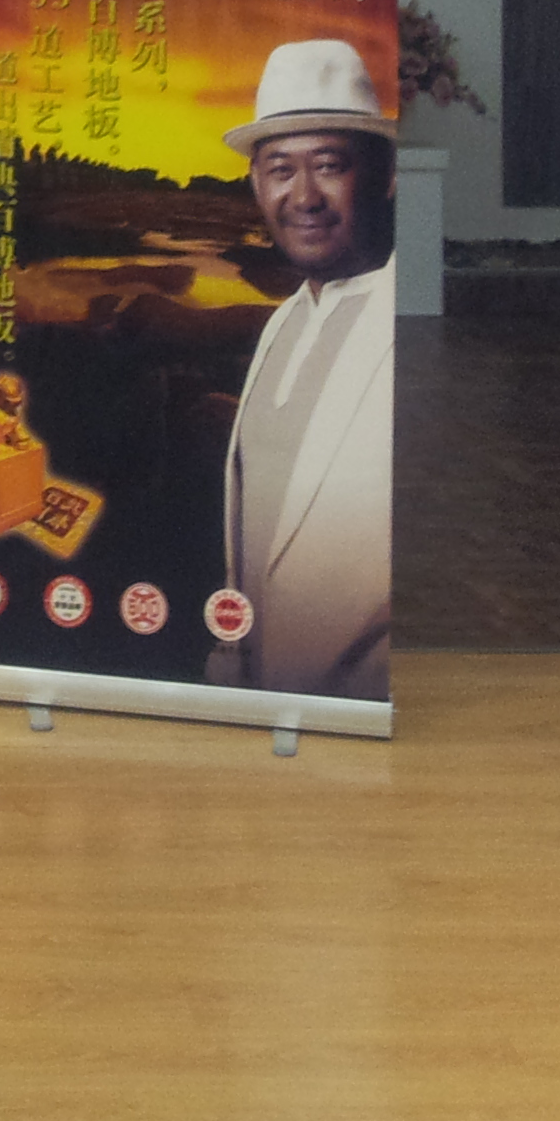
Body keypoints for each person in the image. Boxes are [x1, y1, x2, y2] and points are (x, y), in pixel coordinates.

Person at [208, 38, 396, 702]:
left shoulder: (411, 323)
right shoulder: (283, 323)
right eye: (281, 170)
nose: (304, 196)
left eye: (329, 166)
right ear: (256, 185)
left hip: (357, 703)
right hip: (259, 697)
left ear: (382, 175)